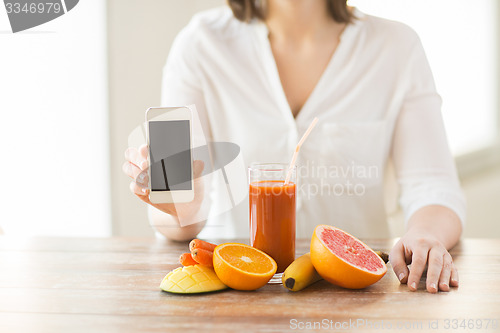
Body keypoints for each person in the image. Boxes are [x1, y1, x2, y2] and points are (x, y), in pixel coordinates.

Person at [123, 0, 465, 293]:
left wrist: (423, 234)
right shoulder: (199, 45)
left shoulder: (397, 47)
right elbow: (178, 220)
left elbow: (434, 187)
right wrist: (178, 206)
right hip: (233, 295)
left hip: (357, 297)